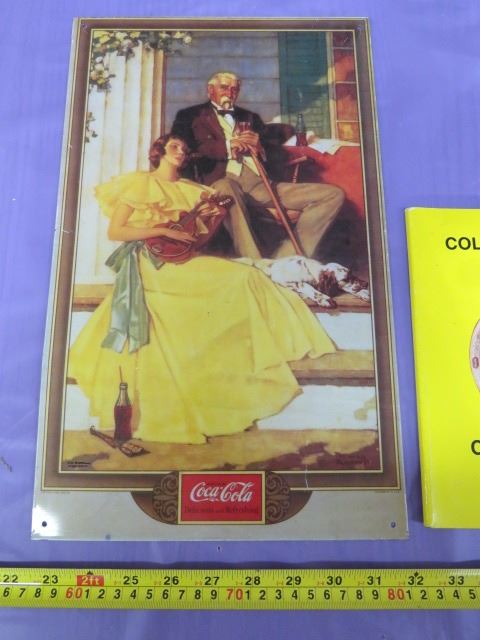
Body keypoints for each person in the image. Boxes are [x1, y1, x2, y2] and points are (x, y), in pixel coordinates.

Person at [68, 134, 335, 445]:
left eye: (184, 149)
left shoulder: (192, 190)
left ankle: (252, 357)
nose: (181, 152)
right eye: (174, 147)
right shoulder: (140, 183)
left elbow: (195, 240)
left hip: (181, 259)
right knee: (237, 279)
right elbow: (116, 231)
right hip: (150, 264)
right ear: (159, 152)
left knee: (245, 276)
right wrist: (163, 229)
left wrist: (207, 220)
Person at [171, 71, 345, 260]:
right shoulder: (190, 116)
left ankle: (286, 257)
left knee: (333, 195)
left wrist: (260, 146)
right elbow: (185, 151)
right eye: (224, 88)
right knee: (227, 189)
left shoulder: (250, 117)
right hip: (221, 182)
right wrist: (228, 146)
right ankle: (253, 261)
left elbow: (276, 152)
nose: (230, 93)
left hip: (260, 184)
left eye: (234, 89)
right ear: (210, 90)